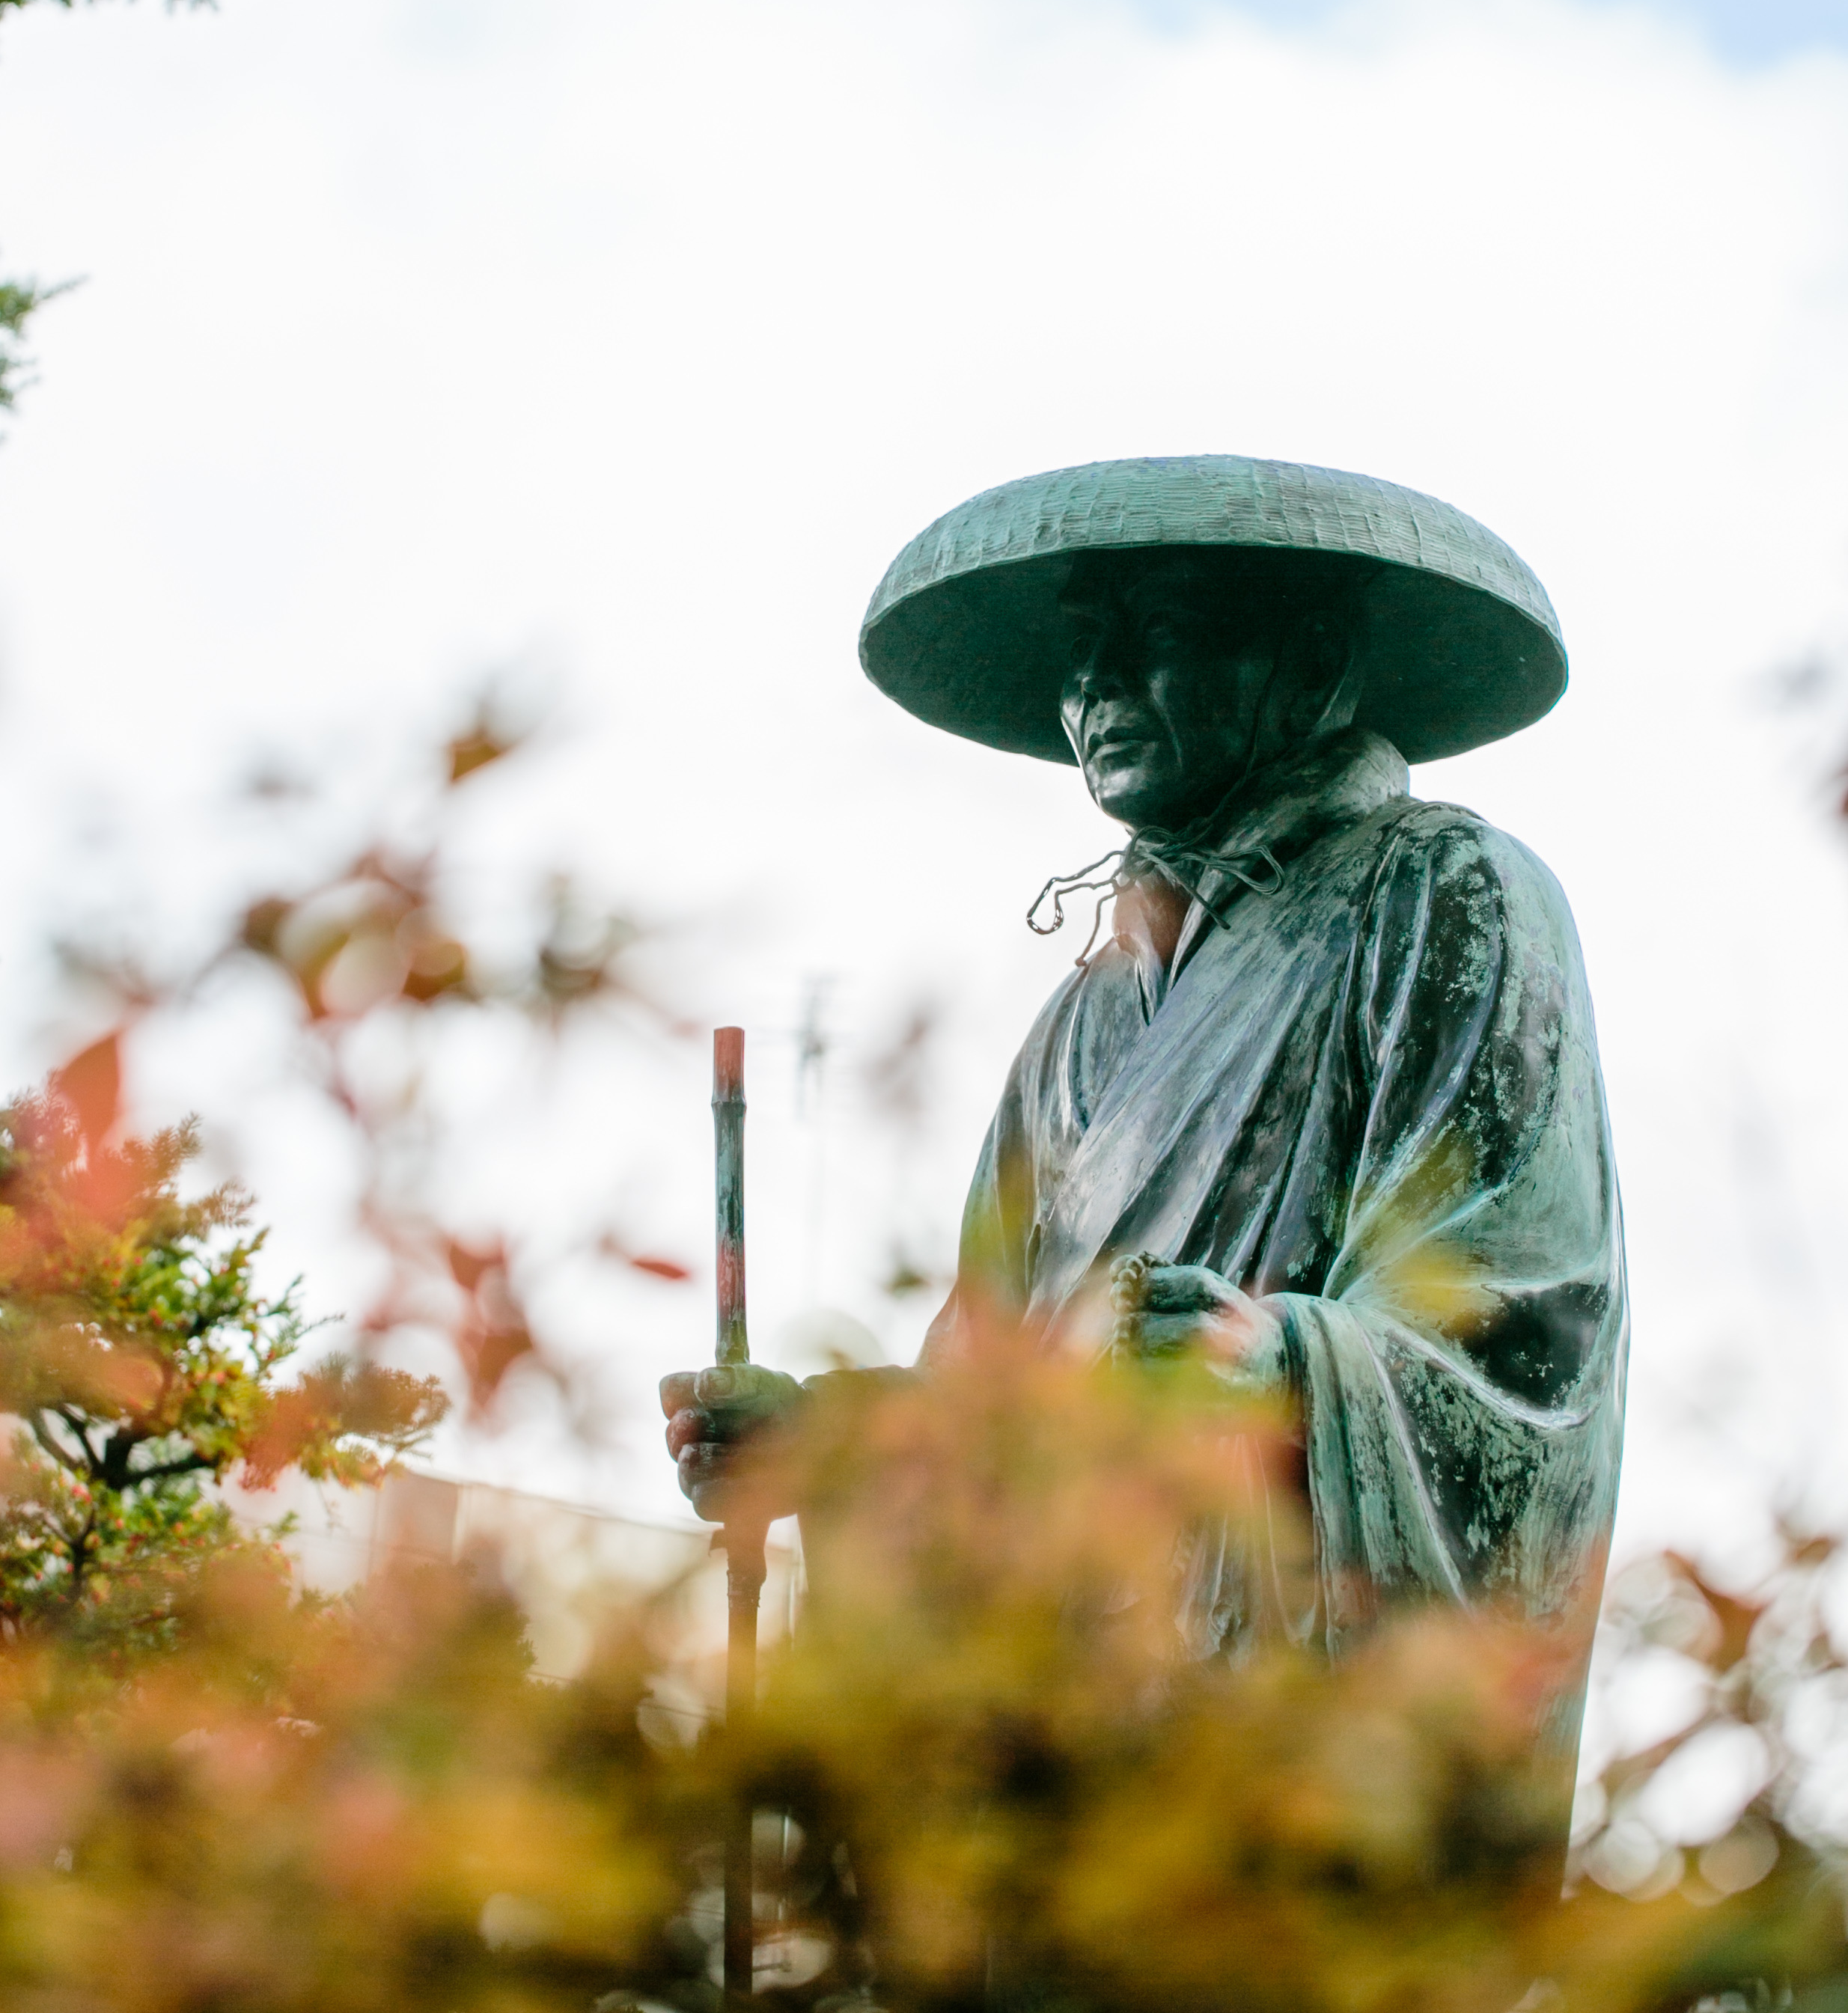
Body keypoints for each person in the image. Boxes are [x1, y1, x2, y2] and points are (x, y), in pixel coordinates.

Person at [662, 454, 1626, 1711]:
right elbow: (995, 1380)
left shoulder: (1442, 893)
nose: (1098, 685)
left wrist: (1275, 1363)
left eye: (1158, 632)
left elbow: (1516, 1316)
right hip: (1073, 1693)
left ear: (1317, 659)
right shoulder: (1082, 1016)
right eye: (1078, 652)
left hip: (1278, 1684)